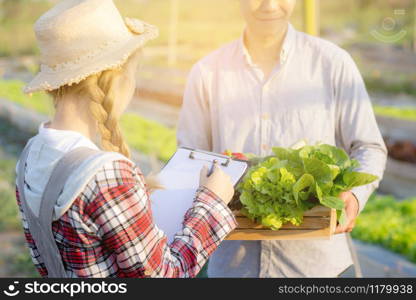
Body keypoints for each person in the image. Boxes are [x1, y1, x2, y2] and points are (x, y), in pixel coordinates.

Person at [15, 0, 237, 278]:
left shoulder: (30, 157)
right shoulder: (107, 175)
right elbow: (167, 276)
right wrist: (212, 201)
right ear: (114, 79)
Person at [177, 0, 388, 277]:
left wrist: (355, 196)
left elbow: (368, 147)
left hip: (318, 269)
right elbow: (190, 158)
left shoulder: (332, 63)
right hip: (234, 269)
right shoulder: (207, 72)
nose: (269, 4)